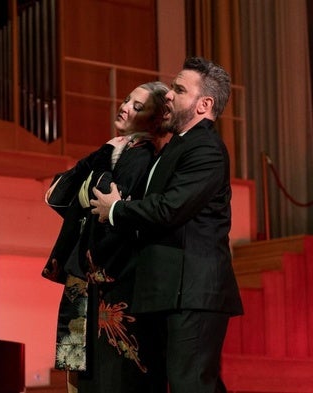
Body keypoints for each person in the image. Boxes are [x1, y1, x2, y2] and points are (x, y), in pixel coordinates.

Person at [90, 57, 244, 393]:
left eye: (178, 89)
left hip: (192, 291)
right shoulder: (179, 146)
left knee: (192, 384)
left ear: (205, 104)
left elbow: (170, 208)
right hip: (172, 290)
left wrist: (116, 209)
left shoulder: (206, 148)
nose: (169, 96)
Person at [43, 81, 171, 393]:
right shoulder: (115, 150)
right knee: (75, 376)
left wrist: (102, 161)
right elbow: (56, 195)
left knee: (104, 378)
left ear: (156, 121)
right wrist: (102, 154)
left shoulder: (141, 158)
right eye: (128, 100)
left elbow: (101, 209)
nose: (125, 107)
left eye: (138, 107)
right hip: (82, 282)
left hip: (105, 283)